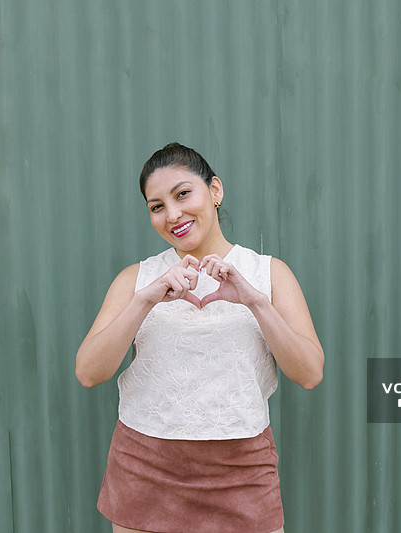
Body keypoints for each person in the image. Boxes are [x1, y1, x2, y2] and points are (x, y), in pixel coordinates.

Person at [76, 142, 324, 533]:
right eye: (156, 206)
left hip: (242, 470)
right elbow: (89, 372)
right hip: (146, 466)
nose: (173, 214)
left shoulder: (268, 274)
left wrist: (255, 302)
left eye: (182, 194)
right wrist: (145, 300)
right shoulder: (136, 280)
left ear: (215, 191)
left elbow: (310, 373)